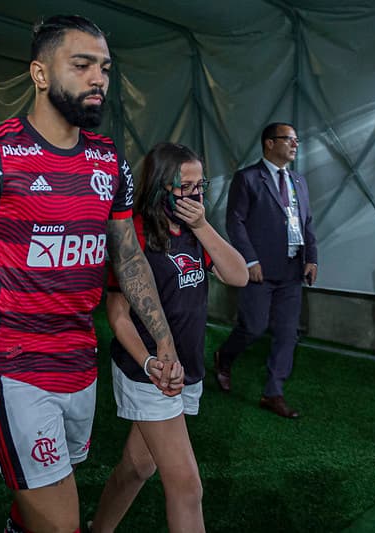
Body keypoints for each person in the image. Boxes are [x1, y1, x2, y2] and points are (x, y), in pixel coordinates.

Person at [0, 15, 183, 533]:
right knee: (63, 522)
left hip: (78, 360)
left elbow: (129, 258)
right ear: (40, 74)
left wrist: (163, 340)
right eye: (82, 65)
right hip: (13, 363)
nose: (99, 79)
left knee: (42, 496)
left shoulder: (110, 161)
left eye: (105, 68)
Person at [91, 143, 248, 532]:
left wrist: (202, 226)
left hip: (187, 368)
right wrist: (150, 362)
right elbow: (117, 314)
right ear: (161, 185)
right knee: (187, 487)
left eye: (200, 185)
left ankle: (99, 529)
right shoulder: (135, 235)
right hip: (148, 373)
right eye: (185, 186)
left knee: (138, 466)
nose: (195, 195)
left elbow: (239, 275)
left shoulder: (196, 231)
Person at [213, 122, 318, 418]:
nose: (295, 144)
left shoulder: (298, 181)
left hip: (292, 268)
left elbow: (306, 222)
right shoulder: (248, 179)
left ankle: (273, 392)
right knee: (254, 327)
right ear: (269, 143)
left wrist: (312, 258)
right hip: (260, 269)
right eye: (289, 139)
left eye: (297, 140)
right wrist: (249, 260)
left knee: (287, 333)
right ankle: (224, 356)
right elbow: (235, 221)